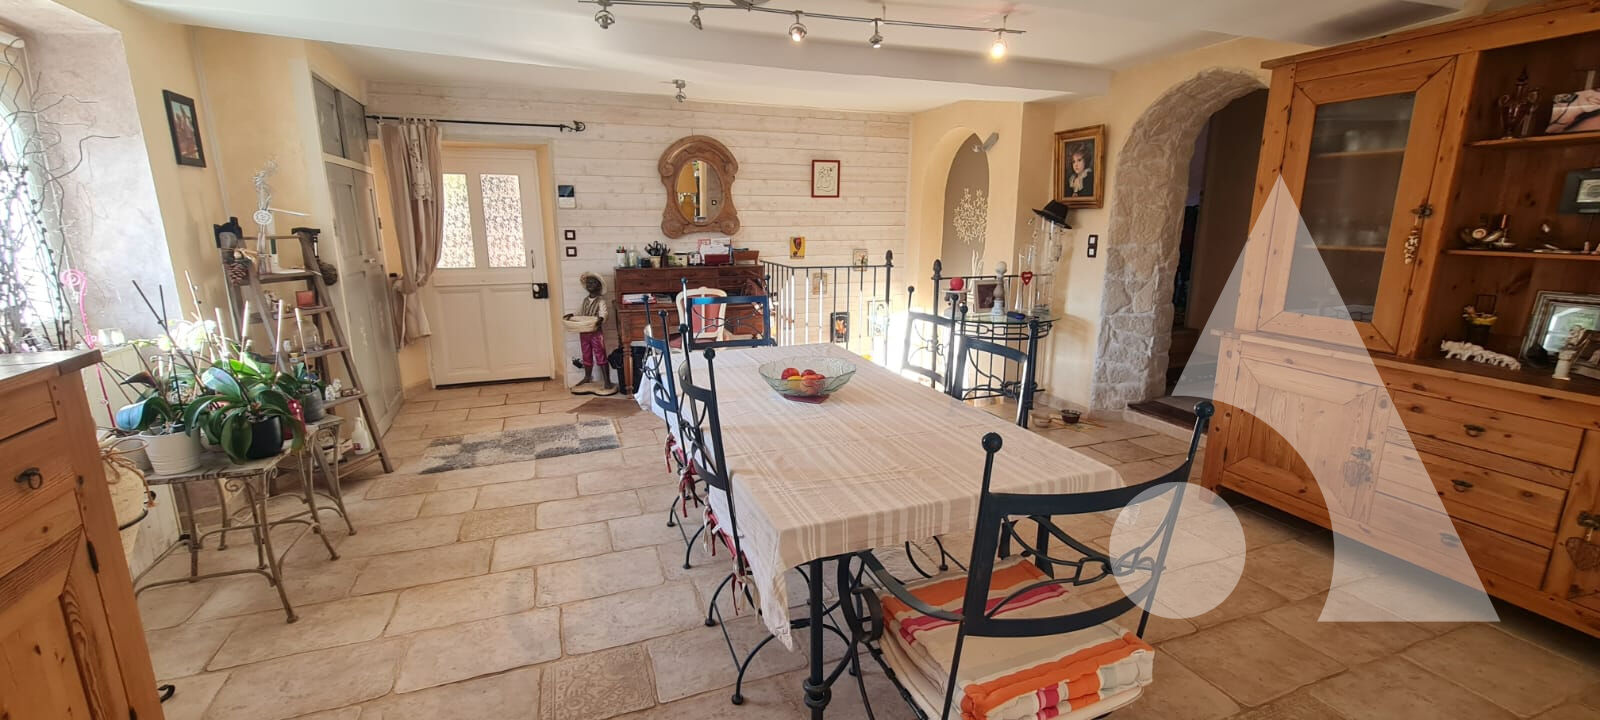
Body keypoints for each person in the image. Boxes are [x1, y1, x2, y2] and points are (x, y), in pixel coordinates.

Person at [566, 272, 614, 395]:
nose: (590, 285)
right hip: (584, 331)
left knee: (600, 354)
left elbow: (604, 313)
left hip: (595, 332)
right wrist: (572, 315)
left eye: (593, 282)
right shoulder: (585, 301)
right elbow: (579, 312)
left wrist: (601, 319)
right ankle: (587, 377)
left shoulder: (600, 301)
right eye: (588, 283)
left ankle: (607, 381)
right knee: (586, 354)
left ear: (599, 286)